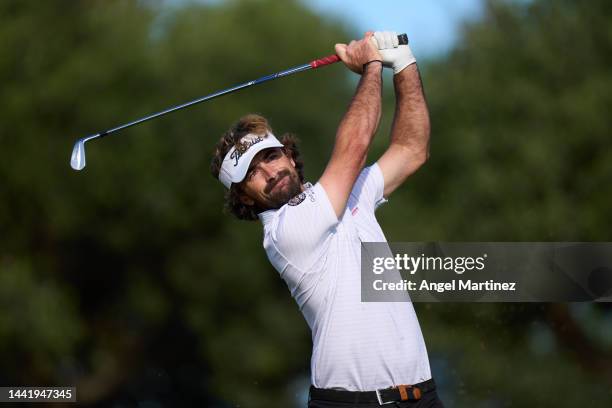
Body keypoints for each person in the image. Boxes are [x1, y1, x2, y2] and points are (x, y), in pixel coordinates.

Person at [210, 31, 443, 407]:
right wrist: (370, 65)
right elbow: (356, 144)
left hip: (421, 398)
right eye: (252, 173)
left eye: (269, 157)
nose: (269, 172)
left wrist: (402, 63)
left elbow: (411, 149)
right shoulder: (285, 233)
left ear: (287, 153)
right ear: (243, 197)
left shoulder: (347, 195)